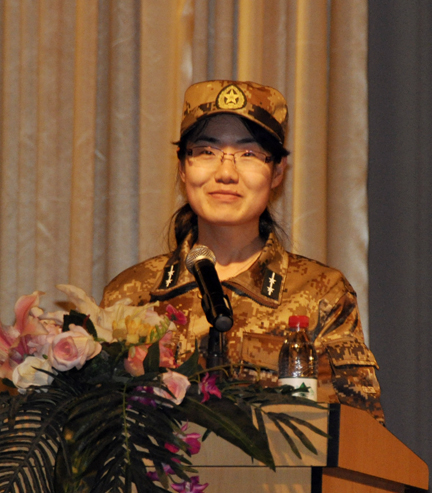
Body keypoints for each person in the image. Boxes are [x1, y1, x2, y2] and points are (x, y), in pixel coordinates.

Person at [101, 80, 384, 424]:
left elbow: (360, 434)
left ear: (277, 172)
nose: (225, 173)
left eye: (248, 154)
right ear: (182, 167)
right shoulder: (132, 294)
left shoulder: (320, 294)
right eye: (206, 151)